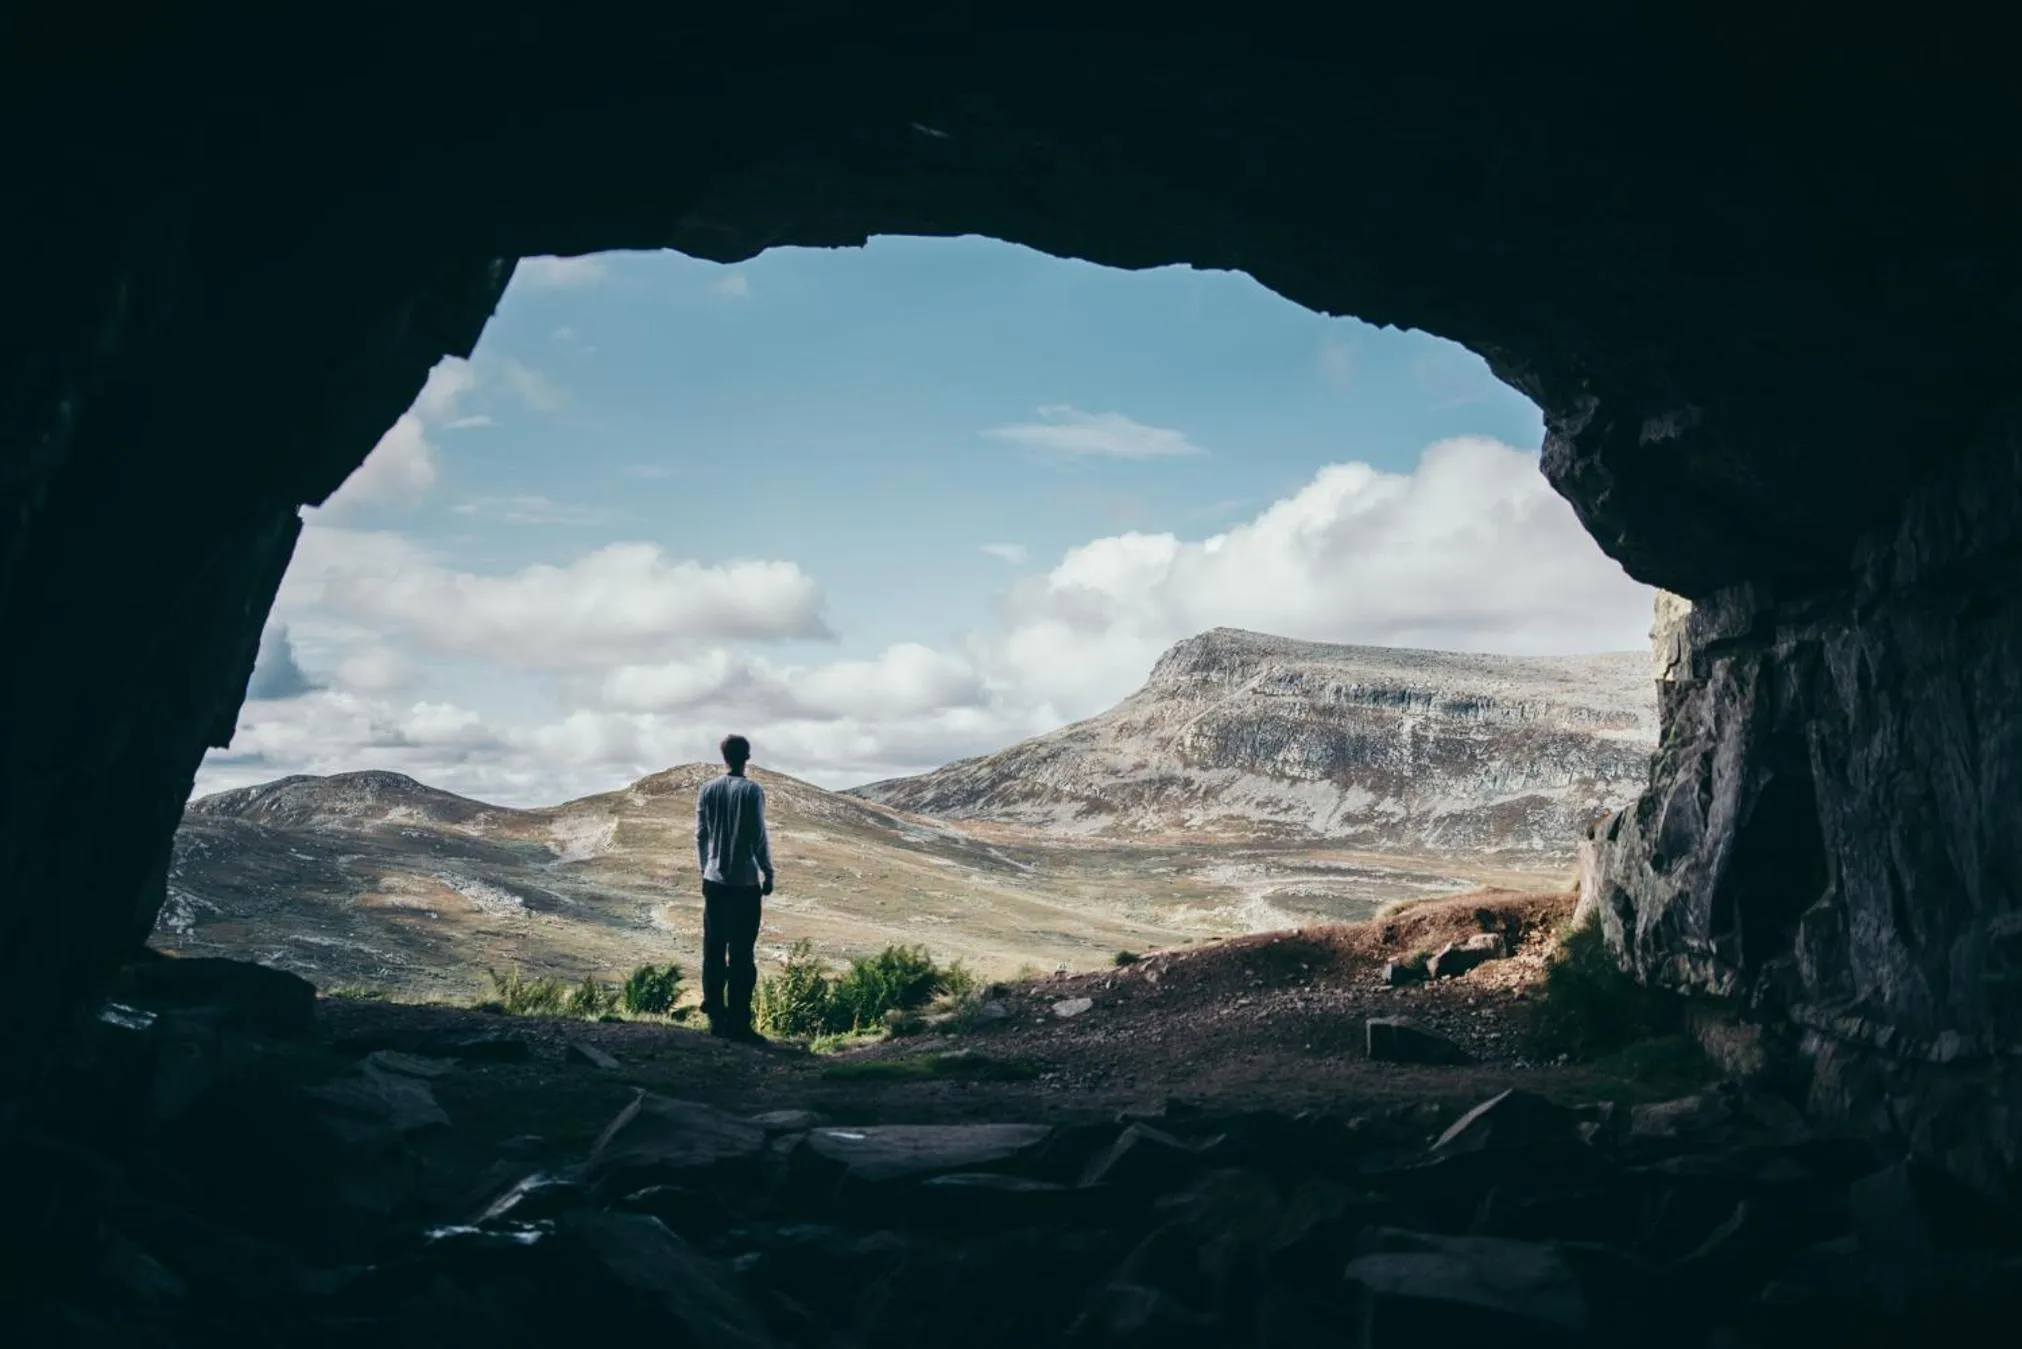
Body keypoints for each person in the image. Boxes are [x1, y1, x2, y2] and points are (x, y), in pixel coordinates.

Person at [694, 733, 775, 1043]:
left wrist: (705, 869)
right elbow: (758, 836)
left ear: (724, 756)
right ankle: (739, 1024)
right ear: (747, 757)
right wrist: (767, 872)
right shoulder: (752, 791)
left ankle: (715, 1016)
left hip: (714, 881)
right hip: (744, 884)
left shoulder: (707, 790)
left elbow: (700, 835)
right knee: (741, 954)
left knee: (713, 951)